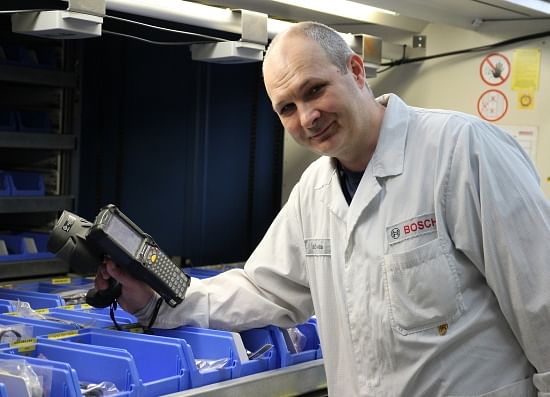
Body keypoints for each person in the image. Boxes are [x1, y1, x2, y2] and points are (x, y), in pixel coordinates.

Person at [95, 21, 550, 396]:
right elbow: (265, 290)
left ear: (356, 69)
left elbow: (540, 298)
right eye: (287, 108)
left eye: (315, 90)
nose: (307, 117)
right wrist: (156, 302)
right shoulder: (314, 190)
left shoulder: (460, 151)